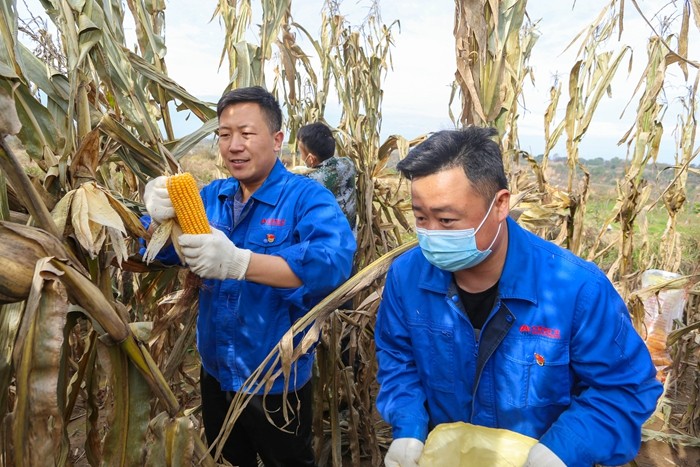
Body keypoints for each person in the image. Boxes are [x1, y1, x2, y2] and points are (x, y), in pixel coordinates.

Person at [374, 126, 662, 467]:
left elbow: (624, 388)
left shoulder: (576, 290)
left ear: (500, 205)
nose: (431, 234)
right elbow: (398, 358)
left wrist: (563, 449)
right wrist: (408, 428)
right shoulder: (406, 277)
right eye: (421, 217)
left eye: (447, 219)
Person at [142, 86, 356, 466]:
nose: (234, 146)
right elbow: (162, 250)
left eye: (246, 133)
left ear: (276, 140)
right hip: (217, 373)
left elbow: (332, 264)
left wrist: (241, 263)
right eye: (225, 135)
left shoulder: (307, 197)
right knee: (227, 459)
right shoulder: (213, 196)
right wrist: (155, 220)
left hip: (277, 381)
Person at [297, 122, 357, 231]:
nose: (300, 157)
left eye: (300, 153)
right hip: (350, 236)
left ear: (311, 159)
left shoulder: (312, 181)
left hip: (327, 238)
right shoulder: (348, 163)